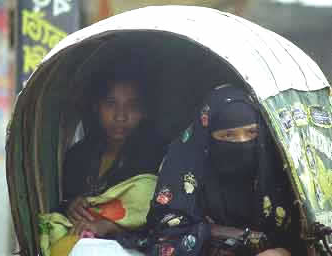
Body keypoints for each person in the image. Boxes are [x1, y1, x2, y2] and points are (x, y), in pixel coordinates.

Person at [125, 85, 304, 256]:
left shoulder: (282, 178)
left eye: (251, 133)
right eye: (228, 135)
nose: (242, 142)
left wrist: (283, 251)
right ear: (208, 139)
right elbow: (168, 233)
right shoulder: (185, 171)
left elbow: (304, 236)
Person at [39, 70, 166, 256]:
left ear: (144, 111)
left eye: (132, 106)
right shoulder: (78, 156)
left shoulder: (158, 156)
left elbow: (163, 222)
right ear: (96, 107)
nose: (120, 116)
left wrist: (109, 226)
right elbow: (64, 206)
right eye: (111, 104)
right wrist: (72, 206)